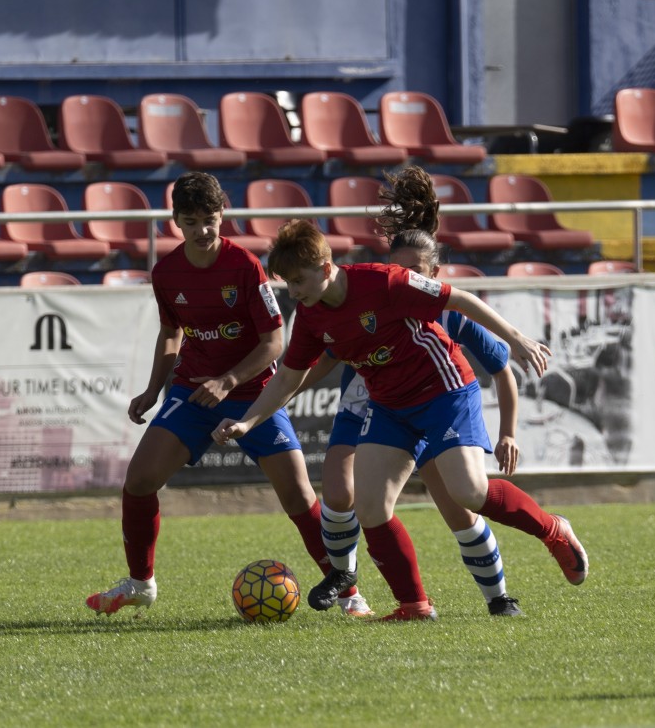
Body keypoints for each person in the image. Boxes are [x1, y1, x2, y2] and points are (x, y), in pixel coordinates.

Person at [213, 217, 589, 622]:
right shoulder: (311, 315)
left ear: (325, 268)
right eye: (288, 282)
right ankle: (415, 606)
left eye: (299, 280)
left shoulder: (384, 281)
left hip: (444, 391)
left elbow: (458, 299)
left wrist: (516, 338)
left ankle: (553, 529)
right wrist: (249, 421)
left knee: (468, 492)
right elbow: (289, 374)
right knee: (371, 506)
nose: (295, 291)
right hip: (390, 406)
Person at [85, 172, 371, 618]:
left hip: (252, 392)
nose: (202, 230)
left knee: (298, 495)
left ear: (223, 216)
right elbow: (169, 334)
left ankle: (348, 592)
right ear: (175, 221)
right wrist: (153, 388)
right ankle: (141, 583)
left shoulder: (245, 267)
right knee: (139, 481)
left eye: (210, 219)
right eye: (192, 220)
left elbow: (273, 344)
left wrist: (228, 381)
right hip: (193, 391)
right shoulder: (166, 273)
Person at [298, 169, 524, 617]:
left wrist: (509, 431)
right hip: (370, 406)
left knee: (460, 507)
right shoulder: (375, 296)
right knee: (340, 493)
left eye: (415, 272)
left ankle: (498, 598)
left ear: (433, 274)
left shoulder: (451, 314)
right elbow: (324, 354)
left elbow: (502, 369)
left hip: (430, 408)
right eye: (398, 270)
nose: (405, 278)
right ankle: (350, 590)